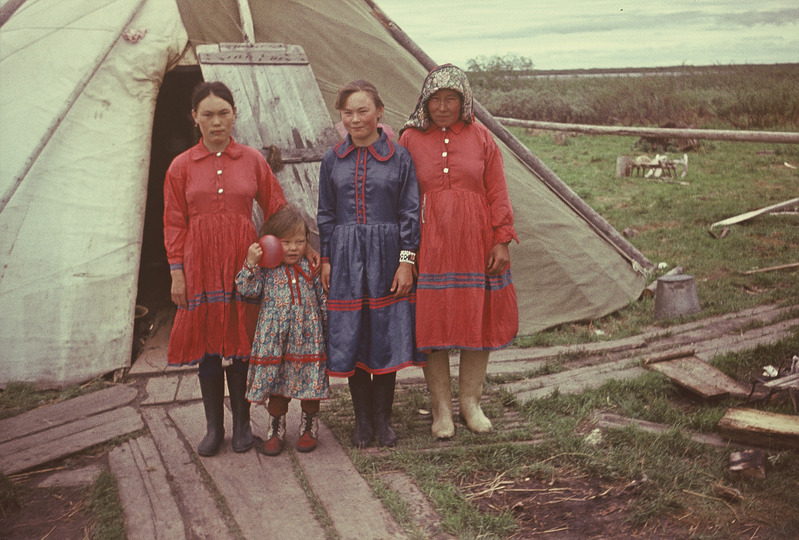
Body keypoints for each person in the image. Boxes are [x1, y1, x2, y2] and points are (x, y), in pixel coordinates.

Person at [163, 81, 317, 457]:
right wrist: (177, 272)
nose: (216, 122)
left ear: (234, 115)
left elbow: (276, 207)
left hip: (243, 261)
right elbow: (173, 223)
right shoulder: (180, 167)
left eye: (224, 113)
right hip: (199, 263)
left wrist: (303, 243)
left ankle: (244, 424)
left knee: (244, 344)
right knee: (209, 350)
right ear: (194, 118)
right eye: (208, 114)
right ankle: (215, 428)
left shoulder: (252, 160)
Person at [399, 64, 519, 439]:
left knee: (476, 319)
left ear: (464, 100)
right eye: (436, 99)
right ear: (425, 101)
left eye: (451, 98)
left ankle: (471, 403)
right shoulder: (409, 138)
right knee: (432, 323)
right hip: (429, 242)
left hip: (476, 241)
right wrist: (406, 252)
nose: (443, 106)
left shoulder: (482, 136)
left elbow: (497, 190)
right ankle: (441, 409)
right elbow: (402, 195)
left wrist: (501, 238)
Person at [317, 80, 424, 448]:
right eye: (348, 112)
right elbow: (326, 213)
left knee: (384, 335)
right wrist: (328, 258)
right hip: (346, 257)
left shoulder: (399, 157)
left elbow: (410, 213)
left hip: (387, 255)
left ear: (379, 112)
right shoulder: (332, 159)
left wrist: (406, 262)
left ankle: (383, 419)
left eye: (363, 110)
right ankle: (362, 420)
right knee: (354, 335)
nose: (355, 119)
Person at [235, 205, 329, 455]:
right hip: (276, 341)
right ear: (273, 242)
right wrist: (251, 263)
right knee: (278, 385)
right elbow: (246, 288)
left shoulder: (311, 269)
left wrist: (329, 328)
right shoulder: (267, 271)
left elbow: (322, 299)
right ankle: (276, 426)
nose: (294, 248)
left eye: (300, 242)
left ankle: (309, 425)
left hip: (308, 338)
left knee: (310, 385)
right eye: (286, 242)